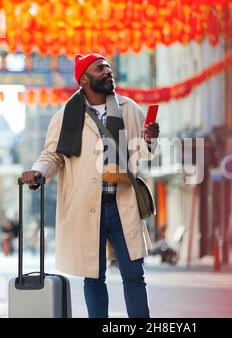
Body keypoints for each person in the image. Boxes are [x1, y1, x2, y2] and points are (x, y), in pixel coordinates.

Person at [21, 53, 160, 318]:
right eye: (100, 68)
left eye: (109, 67)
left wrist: (150, 140)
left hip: (122, 205)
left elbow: (141, 152)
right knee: (93, 277)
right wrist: (38, 172)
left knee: (134, 275)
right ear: (84, 79)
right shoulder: (65, 116)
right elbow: (53, 155)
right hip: (86, 207)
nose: (108, 72)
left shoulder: (129, 108)